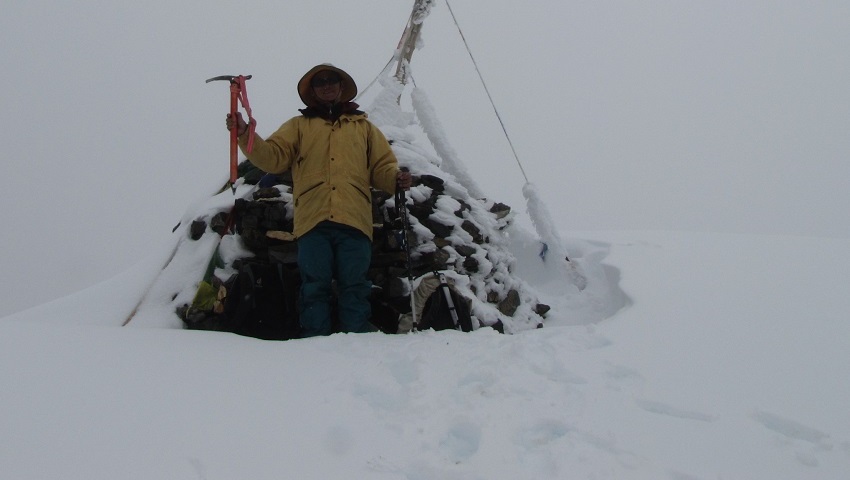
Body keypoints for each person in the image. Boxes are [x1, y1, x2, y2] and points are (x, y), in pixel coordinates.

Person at [226, 63, 412, 337]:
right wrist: (244, 133)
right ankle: (315, 348)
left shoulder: (364, 128)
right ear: (313, 91)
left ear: (340, 87)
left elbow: (381, 168)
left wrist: (395, 179)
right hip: (314, 220)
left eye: (332, 80)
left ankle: (356, 344)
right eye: (320, 81)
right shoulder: (298, 127)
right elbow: (273, 157)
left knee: (355, 286)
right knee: (314, 286)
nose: (326, 85)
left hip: (354, 220)